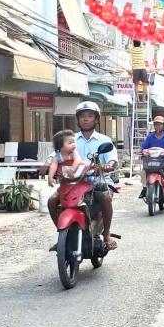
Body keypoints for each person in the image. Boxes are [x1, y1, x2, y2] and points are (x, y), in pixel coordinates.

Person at [47, 102, 119, 250]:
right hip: (73, 183)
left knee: (105, 197)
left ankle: (106, 234)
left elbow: (112, 160)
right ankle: (62, 235)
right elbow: (55, 155)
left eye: (90, 116)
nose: (86, 119)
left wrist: (108, 165)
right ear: (78, 119)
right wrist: (47, 164)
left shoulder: (104, 140)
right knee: (52, 201)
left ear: (96, 119)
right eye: (82, 116)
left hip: (98, 181)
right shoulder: (70, 139)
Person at [138, 116, 164, 198]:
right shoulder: (150, 136)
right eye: (156, 124)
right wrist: (140, 150)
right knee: (143, 171)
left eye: (160, 124)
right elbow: (143, 146)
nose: (158, 126)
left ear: (163, 125)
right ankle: (144, 188)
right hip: (151, 160)